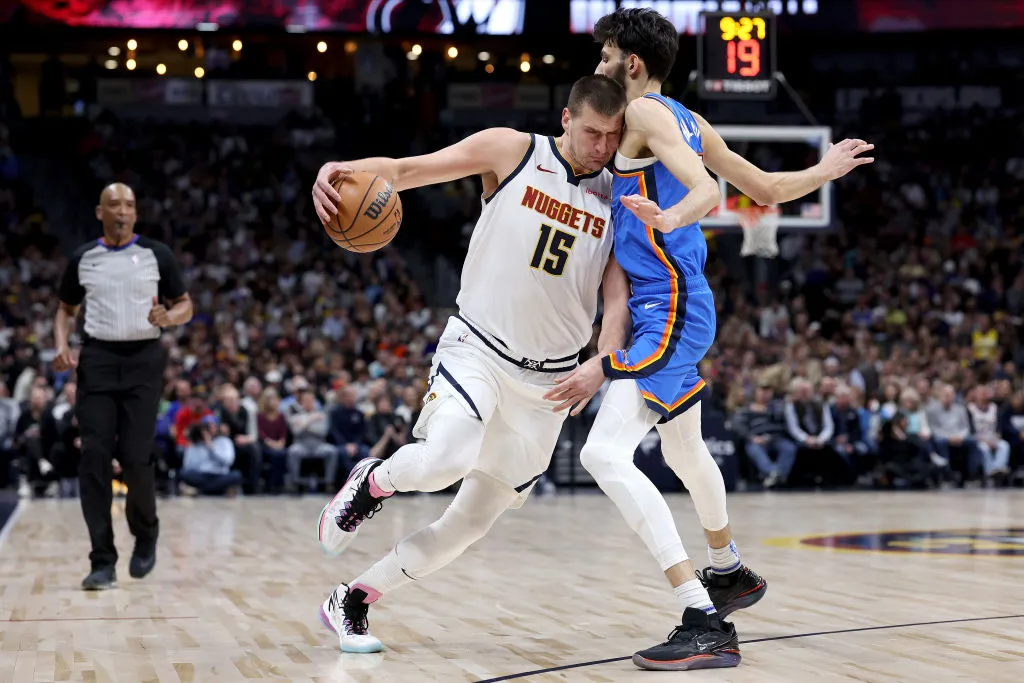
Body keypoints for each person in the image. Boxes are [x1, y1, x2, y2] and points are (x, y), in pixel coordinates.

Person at [543, 8, 875, 671]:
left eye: (606, 56)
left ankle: (704, 621)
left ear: (633, 63)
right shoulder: (689, 119)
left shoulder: (645, 115)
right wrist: (824, 170)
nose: (599, 65)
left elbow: (707, 189)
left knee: (603, 454)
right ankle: (728, 571)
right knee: (685, 449)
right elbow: (767, 188)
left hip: (667, 308)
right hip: (675, 304)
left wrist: (668, 218)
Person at [309, 75, 629, 653]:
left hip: (551, 384)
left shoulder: (618, 197)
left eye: (612, 136)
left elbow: (616, 297)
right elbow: (407, 170)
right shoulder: (512, 150)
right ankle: (372, 483)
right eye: (592, 133)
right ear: (566, 119)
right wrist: (340, 170)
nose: (602, 146)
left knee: (468, 526)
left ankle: (352, 599)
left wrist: (601, 363)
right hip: (478, 347)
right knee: (445, 459)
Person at [52, 182, 192, 590]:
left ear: (135, 213)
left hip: (144, 360)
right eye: (114, 204)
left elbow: (186, 304)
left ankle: (146, 533)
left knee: (135, 457)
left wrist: (170, 317)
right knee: (93, 457)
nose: (122, 211)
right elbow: (65, 310)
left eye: (129, 204)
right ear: (100, 212)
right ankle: (102, 560)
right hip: (97, 358)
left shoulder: (156, 254)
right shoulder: (83, 258)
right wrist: (61, 345)